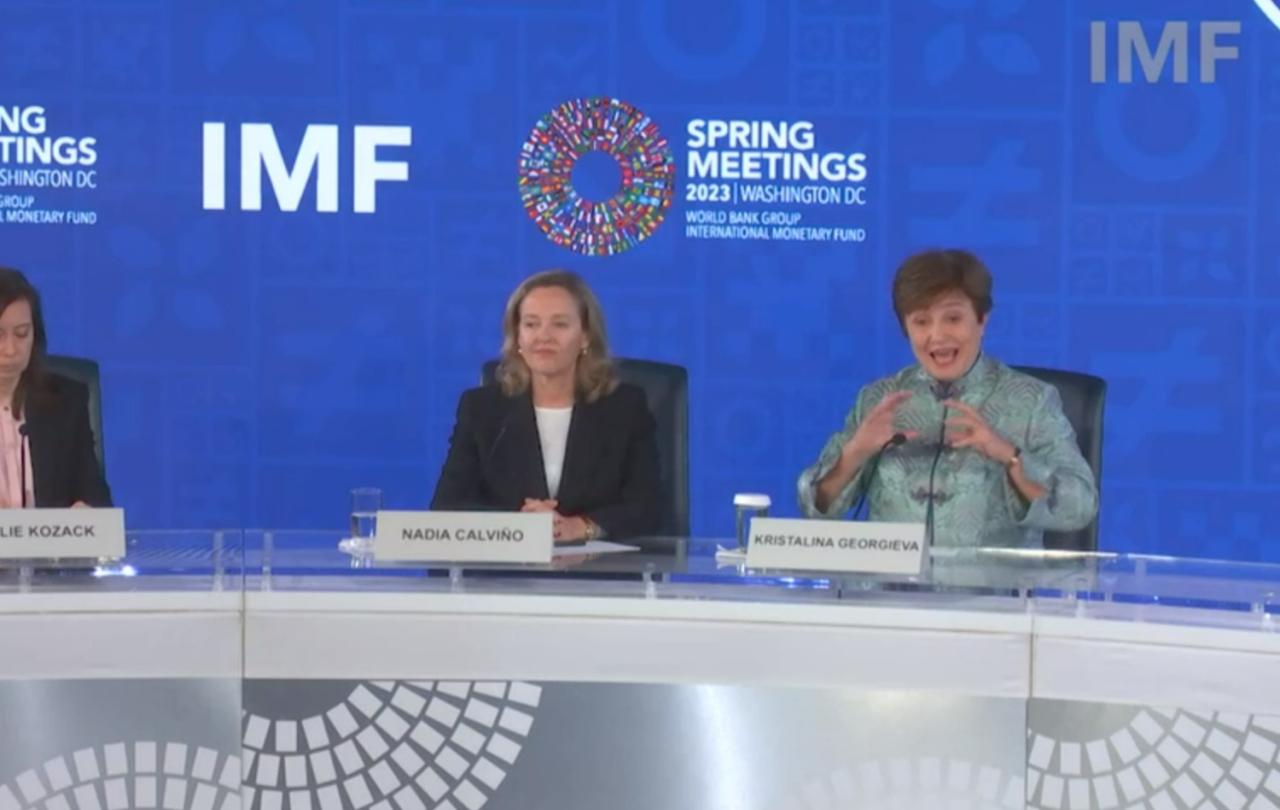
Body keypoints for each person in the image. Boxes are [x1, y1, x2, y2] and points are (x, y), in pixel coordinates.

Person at [797, 249, 1097, 548]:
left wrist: (1010, 455)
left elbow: (1080, 506)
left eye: (953, 318)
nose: (937, 336)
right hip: (888, 593)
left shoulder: (1031, 401)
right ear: (906, 329)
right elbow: (813, 506)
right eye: (921, 322)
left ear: (982, 320)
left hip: (993, 593)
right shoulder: (878, 399)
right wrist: (856, 452)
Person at [431, 270, 660, 542]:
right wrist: (518, 527)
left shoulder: (624, 408)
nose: (544, 336)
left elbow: (649, 508)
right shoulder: (481, 410)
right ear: (516, 337)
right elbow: (447, 507)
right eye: (531, 324)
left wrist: (581, 526)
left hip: (599, 576)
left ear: (586, 337)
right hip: (506, 577)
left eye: (560, 325)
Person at [0, 267, 112, 508]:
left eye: (22, 334)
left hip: (49, 546)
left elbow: (96, 499)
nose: (10, 350)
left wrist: (87, 510)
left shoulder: (65, 402)